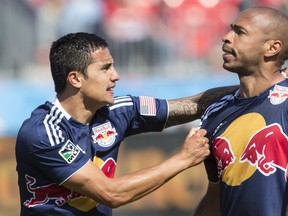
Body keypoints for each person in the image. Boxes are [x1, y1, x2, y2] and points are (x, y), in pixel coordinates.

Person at [15, 32, 237, 216]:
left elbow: (192, 105)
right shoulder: (43, 132)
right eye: (105, 68)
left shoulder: (119, 110)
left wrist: (256, 90)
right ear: (75, 79)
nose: (116, 76)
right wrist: (184, 159)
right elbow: (112, 194)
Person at [194, 7, 288, 216]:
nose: (226, 38)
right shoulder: (215, 113)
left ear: (272, 48)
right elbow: (215, 196)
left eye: (240, 32)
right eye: (230, 30)